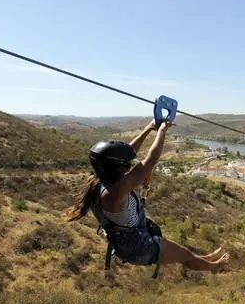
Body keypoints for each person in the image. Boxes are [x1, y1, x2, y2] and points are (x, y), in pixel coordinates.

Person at [65, 118, 229, 276]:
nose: (129, 165)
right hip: (139, 248)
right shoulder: (114, 193)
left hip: (136, 235)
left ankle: (203, 260)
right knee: (184, 257)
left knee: (183, 253)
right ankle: (214, 268)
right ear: (116, 167)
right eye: (126, 165)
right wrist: (162, 130)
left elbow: (128, 153)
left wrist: (148, 129)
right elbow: (150, 159)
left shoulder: (101, 177)